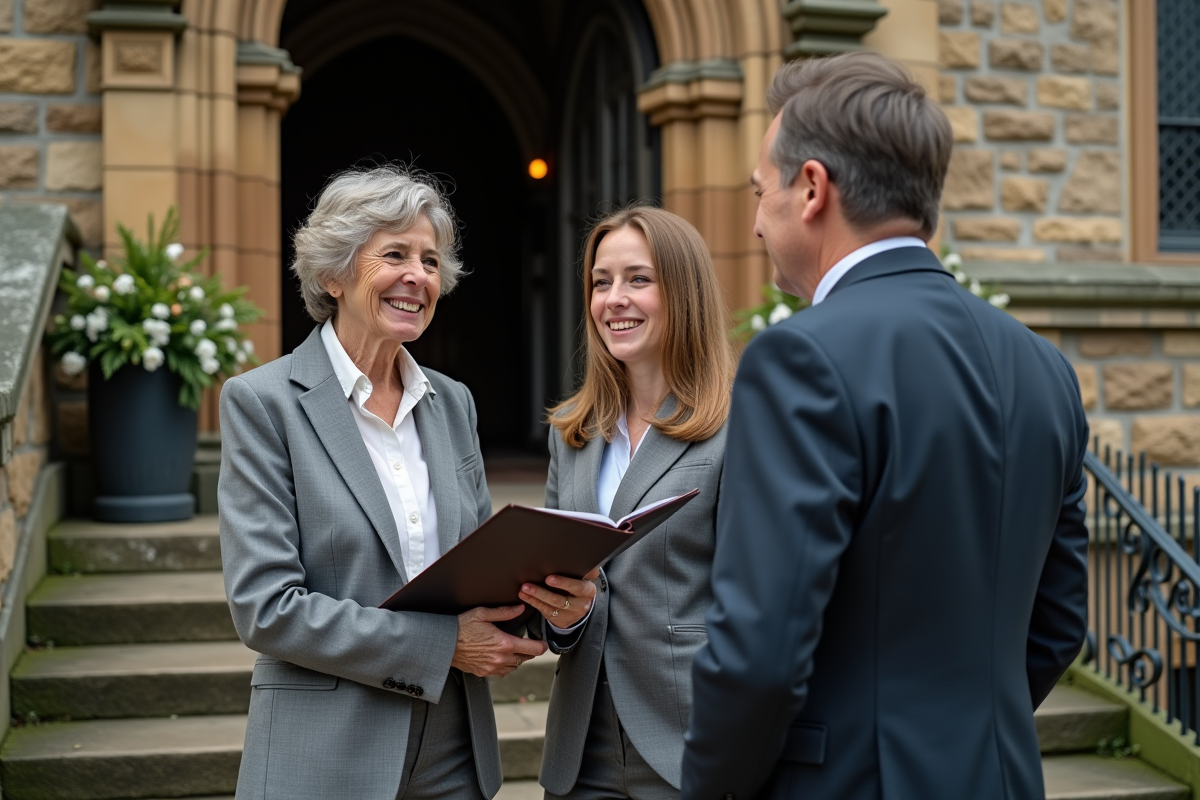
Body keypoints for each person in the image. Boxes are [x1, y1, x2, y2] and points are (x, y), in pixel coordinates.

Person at [681, 53, 1090, 800]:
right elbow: (1058, 624)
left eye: (758, 191)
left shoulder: (800, 357)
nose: (754, 222)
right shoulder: (1043, 368)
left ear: (811, 188)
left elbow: (761, 656)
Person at [218, 165, 548, 800]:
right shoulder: (263, 403)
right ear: (333, 274)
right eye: (394, 254)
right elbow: (267, 609)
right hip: (325, 753)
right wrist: (445, 645)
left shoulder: (452, 403)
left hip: (454, 747)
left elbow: (480, 569)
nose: (417, 276)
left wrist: (549, 608)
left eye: (429, 260)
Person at [519, 206, 735, 800]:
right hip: (581, 746)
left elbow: (759, 602)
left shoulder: (738, 427)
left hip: (691, 740)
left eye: (639, 279)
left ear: (683, 291)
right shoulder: (574, 433)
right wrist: (564, 614)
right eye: (601, 281)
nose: (614, 298)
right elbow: (555, 598)